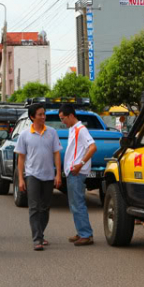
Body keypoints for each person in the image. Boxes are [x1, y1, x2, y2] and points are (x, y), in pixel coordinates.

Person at [15, 103, 62, 251]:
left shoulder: (52, 132)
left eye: (44, 114)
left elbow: (56, 154)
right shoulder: (24, 135)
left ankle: (40, 233)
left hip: (48, 176)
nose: (43, 117)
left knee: (45, 208)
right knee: (34, 207)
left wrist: (58, 174)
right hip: (32, 175)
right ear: (32, 117)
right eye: (40, 114)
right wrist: (21, 179)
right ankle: (37, 239)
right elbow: (21, 159)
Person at [59, 104, 97, 246]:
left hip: (77, 172)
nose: (62, 121)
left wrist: (80, 163)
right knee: (74, 203)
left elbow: (92, 147)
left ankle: (86, 234)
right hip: (73, 171)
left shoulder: (81, 130)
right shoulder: (73, 129)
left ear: (71, 115)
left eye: (63, 118)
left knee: (78, 203)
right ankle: (82, 231)